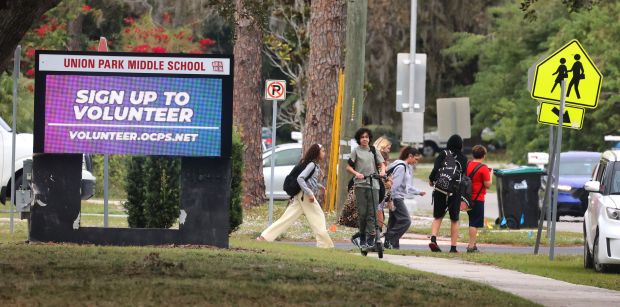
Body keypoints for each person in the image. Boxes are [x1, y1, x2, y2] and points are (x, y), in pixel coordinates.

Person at [257, 144, 334, 248]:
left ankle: (264, 237)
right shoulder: (312, 165)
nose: (324, 153)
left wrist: (320, 187)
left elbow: (310, 180)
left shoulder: (314, 164)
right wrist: (310, 193)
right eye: (323, 151)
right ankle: (325, 245)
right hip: (305, 196)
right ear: (317, 153)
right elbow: (300, 178)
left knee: (287, 218)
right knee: (318, 217)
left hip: (301, 195)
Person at [346, 128, 385, 251]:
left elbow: (382, 164)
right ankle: (362, 236)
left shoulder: (374, 150)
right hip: (360, 185)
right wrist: (356, 174)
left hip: (374, 185)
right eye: (362, 137)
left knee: (372, 213)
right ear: (359, 139)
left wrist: (382, 172)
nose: (365, 139)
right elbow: (348, 167)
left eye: (367, 137)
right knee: (362, 213)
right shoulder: (356, 151)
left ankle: (370, 239)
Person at [428, 134, 467, 253]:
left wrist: (431, 180)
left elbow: (436, 169)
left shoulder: (443, 154)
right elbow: (463, 174)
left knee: (438, 216)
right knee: (455, 219)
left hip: (440, 188)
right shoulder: (463, 158)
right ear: (461, 145)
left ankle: (433, 239)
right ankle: (453, 247)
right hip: (455, 190)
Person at [384, 146, 426, 249]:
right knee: (406, 221)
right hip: (396, 198)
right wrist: (390, 200)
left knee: (393, 222)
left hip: (395, 197)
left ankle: (391, 245)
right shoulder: (402, 167)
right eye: (416, 159)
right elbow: (395, 186)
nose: (416, 162)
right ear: (410, 156)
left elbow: (405, 185)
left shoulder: (401, 165)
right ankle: (389, 237)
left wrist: (418, 192)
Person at [465, 145, 492, 253]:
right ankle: (471, 246)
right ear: (484, 155)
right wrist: (490, 174)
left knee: (472, 220)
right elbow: (488, 184)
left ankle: (473, 243)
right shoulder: (484, 168)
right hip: (478, 198)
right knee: (474, 223)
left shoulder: (467, 164)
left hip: (467, 198)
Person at [373, 136, 392, 230]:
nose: (389, 150)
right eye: (388, 148)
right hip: (379, 188)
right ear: (382, 147)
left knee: (378, 210)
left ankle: (376, 232)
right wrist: (388, 180)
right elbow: (382, 173)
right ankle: (376, 233)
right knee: (378, 211)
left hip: (379, 188)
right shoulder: (379, 157)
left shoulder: (374, 155)